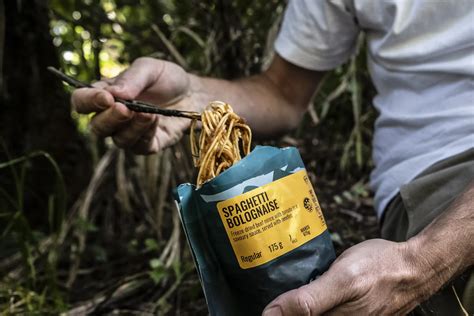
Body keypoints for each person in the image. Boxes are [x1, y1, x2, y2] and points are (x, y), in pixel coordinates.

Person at [71, 0, 474, 315]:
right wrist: (193, 96)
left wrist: (424, 261)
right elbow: (282, 94)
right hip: (434, 173)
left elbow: (426, 260)